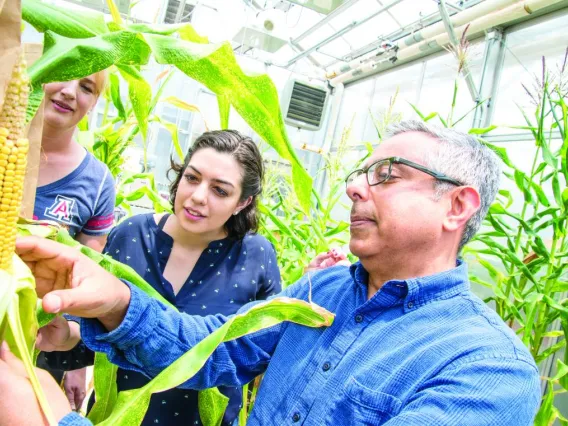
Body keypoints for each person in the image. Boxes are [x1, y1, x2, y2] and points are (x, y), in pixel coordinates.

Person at [2, 120, 541, 425]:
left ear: (457, 207)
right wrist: (117, 301)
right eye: (360, 174)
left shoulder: (486, 370)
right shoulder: (323, 290)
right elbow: (215, 347)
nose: (355, 187)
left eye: (386, 175)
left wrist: (55, 420)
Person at [38, 130, 282, 426]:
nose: (197, 196)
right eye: (192, 178)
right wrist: (66, 338)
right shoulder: (131, 235)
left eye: (220, 190)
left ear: (243, 203)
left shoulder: (256, 256)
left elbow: (259, 348)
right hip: (117, 415)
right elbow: (99, 339)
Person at [34, 72, 116, 412]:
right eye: (62, 76)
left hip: (38, 339)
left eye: (86, 87)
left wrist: (76, 363)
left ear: (94, 102)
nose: (69, 93)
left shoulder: (97, 183)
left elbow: (83, 282)